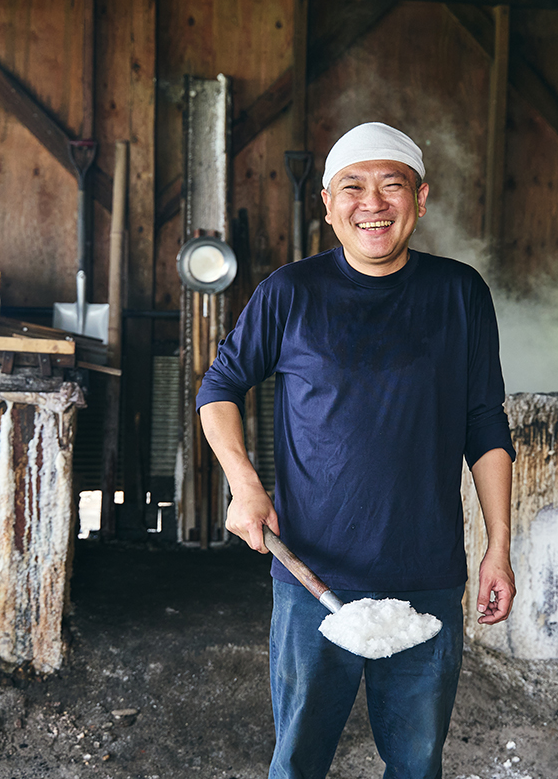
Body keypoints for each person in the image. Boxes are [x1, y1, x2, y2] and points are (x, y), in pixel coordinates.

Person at [197, 121, 515, 779]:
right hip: (314, 576)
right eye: (353, 187)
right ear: (326, 202)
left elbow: (485, 424)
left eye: (391, 186)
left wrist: (499, 546)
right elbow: (219, 387)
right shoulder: (291, 292)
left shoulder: (460, 295)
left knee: (417, 763)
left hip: (425, 577)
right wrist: (246, 486)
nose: (372, 203)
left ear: (420, 199)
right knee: (299, 762)